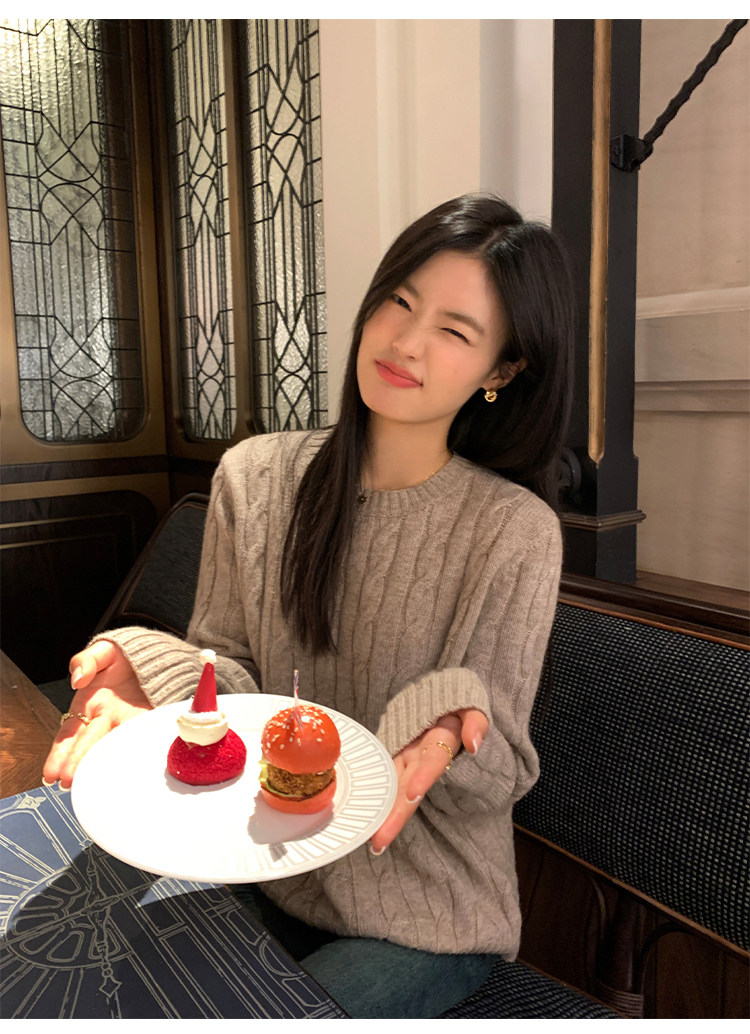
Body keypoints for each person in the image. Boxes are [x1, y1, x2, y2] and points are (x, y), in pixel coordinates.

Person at [43, 194, 575, 1018]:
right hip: (258, 859)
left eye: (454, 331)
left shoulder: (514, 531)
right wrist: (154, 672)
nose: (405, 342)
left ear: (501, 373)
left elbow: (498, 767)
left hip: (423, 912)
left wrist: (447, 724)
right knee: (87, 971)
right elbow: (234, 671)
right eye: (399, 301)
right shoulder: (255, 476)